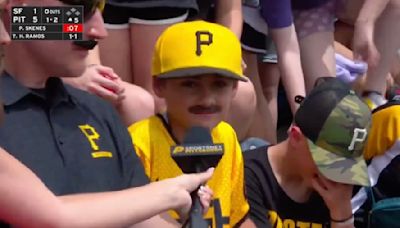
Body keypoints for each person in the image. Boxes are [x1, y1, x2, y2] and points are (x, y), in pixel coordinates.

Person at [0, 0, 211, 227]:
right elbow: (55, 217)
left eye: (100, 11)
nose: (99, 32)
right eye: (83, 9)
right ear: (14, 7)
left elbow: (142, 217)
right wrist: (168, 193)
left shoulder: (97, 110)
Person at [129, 20, 249, 227]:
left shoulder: (226, 135)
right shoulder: (139, 142)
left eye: (219, 85)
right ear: (159, 85)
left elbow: (239, 218)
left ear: (235, 89)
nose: (207, 99)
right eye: (190, 84)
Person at [242, 77, 372, 227]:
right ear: (296, 137)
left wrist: (343, 216)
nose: (338, 175)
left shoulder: (340, 192)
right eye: (329, 163)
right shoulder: (248, 177)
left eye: (346, 166)